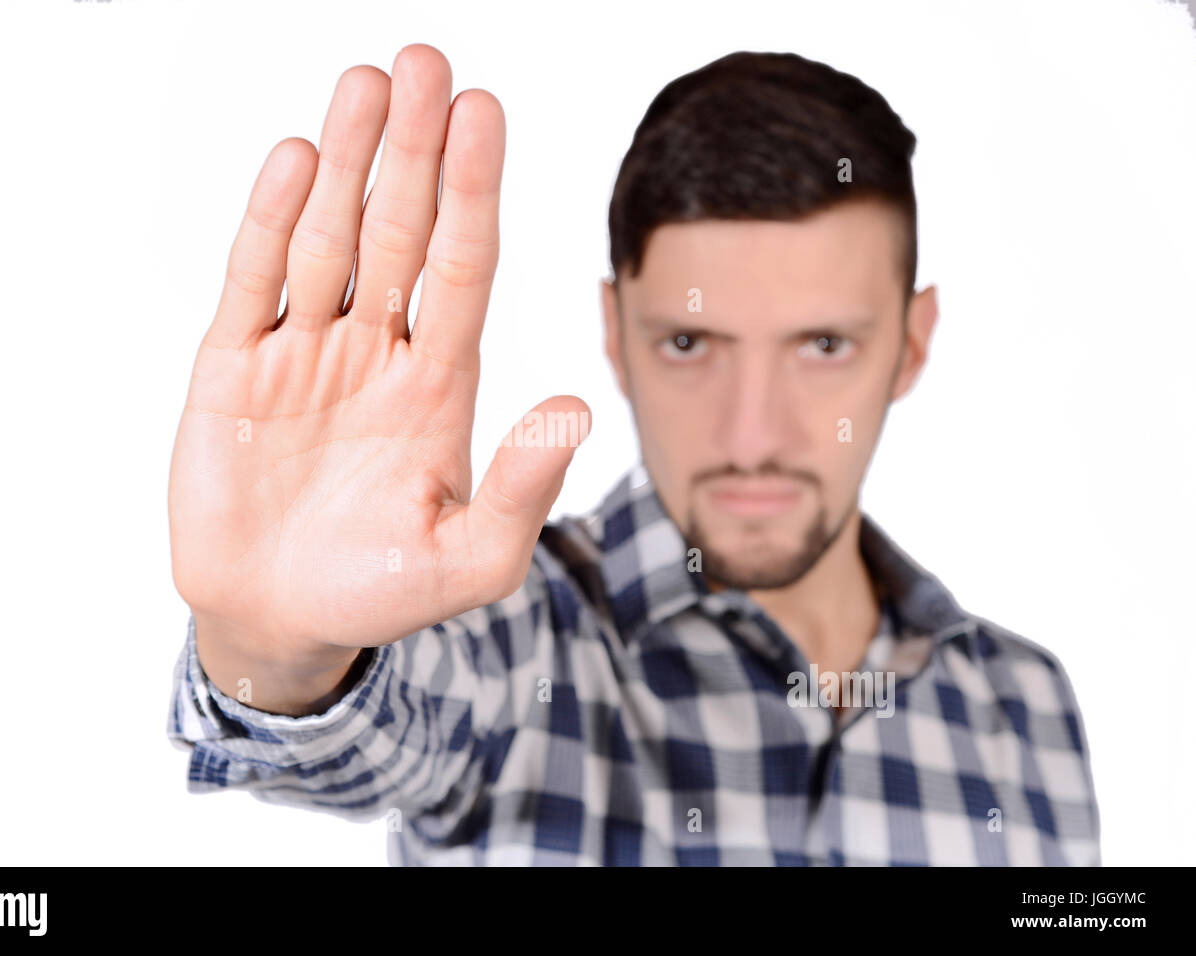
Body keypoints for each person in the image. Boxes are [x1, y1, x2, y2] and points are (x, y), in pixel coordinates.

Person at [166, 43, 1100, 865]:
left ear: (912, 340)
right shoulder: (512, 630)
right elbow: (365, 723)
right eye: (691, 345)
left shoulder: (1025, 707)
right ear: (615, 333)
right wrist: (274, 645)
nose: (753, 435)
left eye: (823, 346)